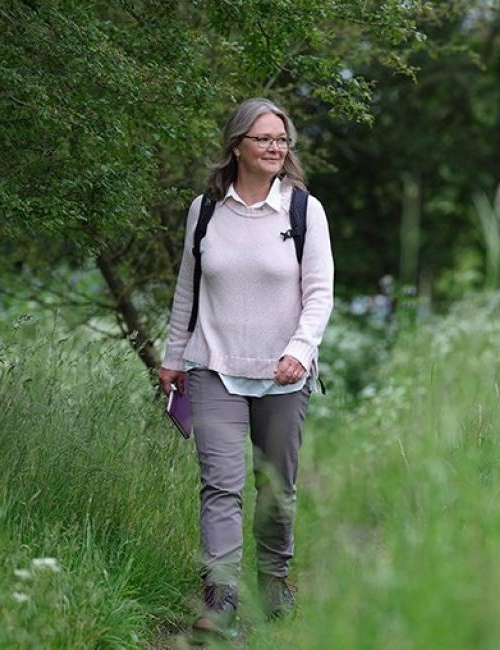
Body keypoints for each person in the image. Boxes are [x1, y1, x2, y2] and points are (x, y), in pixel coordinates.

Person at [157, 97, 333, 637]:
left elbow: (319, 294)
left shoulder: (303, 210)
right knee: (221, 485)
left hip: (284, 374)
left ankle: (275, 577)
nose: (276, 148)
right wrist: (172, 357)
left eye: (282, 140)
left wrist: (298, 353)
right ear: (237, 146)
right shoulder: (205, 211)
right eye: (264, 139)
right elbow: (188, 288)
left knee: (275, 483)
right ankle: (222, 595)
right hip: (212, 365)